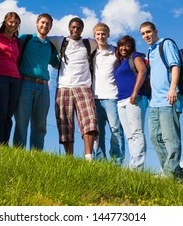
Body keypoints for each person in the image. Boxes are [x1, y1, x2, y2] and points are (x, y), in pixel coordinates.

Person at [139, 21, 183, 180]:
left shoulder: (166, 44)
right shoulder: (150, 51)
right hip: (154, 102)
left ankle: (170, 175)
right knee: (155, 138)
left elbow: (175, 65)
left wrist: (173, 88)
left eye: (148, 32)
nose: (146, 36)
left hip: (168, 99)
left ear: (155, 31)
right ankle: (176, 175)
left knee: (170, 139)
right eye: (143, 34)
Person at [50, 17, 98, 160]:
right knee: (65, 123)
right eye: (73, 27)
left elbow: (105, 44)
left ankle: (88, 157)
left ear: (82, 29)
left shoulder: (90, 43)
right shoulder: (60, 41)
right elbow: (43, 36)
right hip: (64, 87)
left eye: (78, 28)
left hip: (83, 87)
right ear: (69, 27)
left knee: (89, 120)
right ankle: (69, 158)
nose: (75, 30)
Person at [13, 13, 59, 150]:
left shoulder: (50, 46)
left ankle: (36, 154)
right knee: (22, 121)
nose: (45, 25)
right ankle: (18, 152)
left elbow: (57, 64)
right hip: (25, 84)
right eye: (42, 22)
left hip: (44, 87)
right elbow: (8, 45)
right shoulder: (25, 39)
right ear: (37, 23)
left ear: (51, 27)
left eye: (48, 24)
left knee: (40, 124)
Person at [91, 23, 125, 165]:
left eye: (103, 34)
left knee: (116, 130)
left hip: (112, 96)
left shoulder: (116, 52)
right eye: (98, 34)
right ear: (94, 36)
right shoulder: (92, 52)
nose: (101, 36)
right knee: (97, 133)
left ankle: (117, 161)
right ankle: (100, 162)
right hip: (95, 97)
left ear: (108, 35)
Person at [114, 35, 149, 169]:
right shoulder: (121, 62)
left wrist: (134, 92)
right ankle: (132, 165)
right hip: (121, 101)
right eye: (122, 45)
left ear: (132, 47)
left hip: (134, 99)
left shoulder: (135, 56)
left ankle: (137, 167)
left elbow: (142, 71)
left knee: (137, 133)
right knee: (129, 136)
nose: (124, 48)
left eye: (127, 45)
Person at [0, 12, 22, 145]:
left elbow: (17, 61)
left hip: (15, 79)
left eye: (16, 23)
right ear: (5, 22)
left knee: (9, 114)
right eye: (11, 22)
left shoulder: (18, 42)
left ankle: (4, 144)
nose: (13, 25)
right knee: (1, 111)